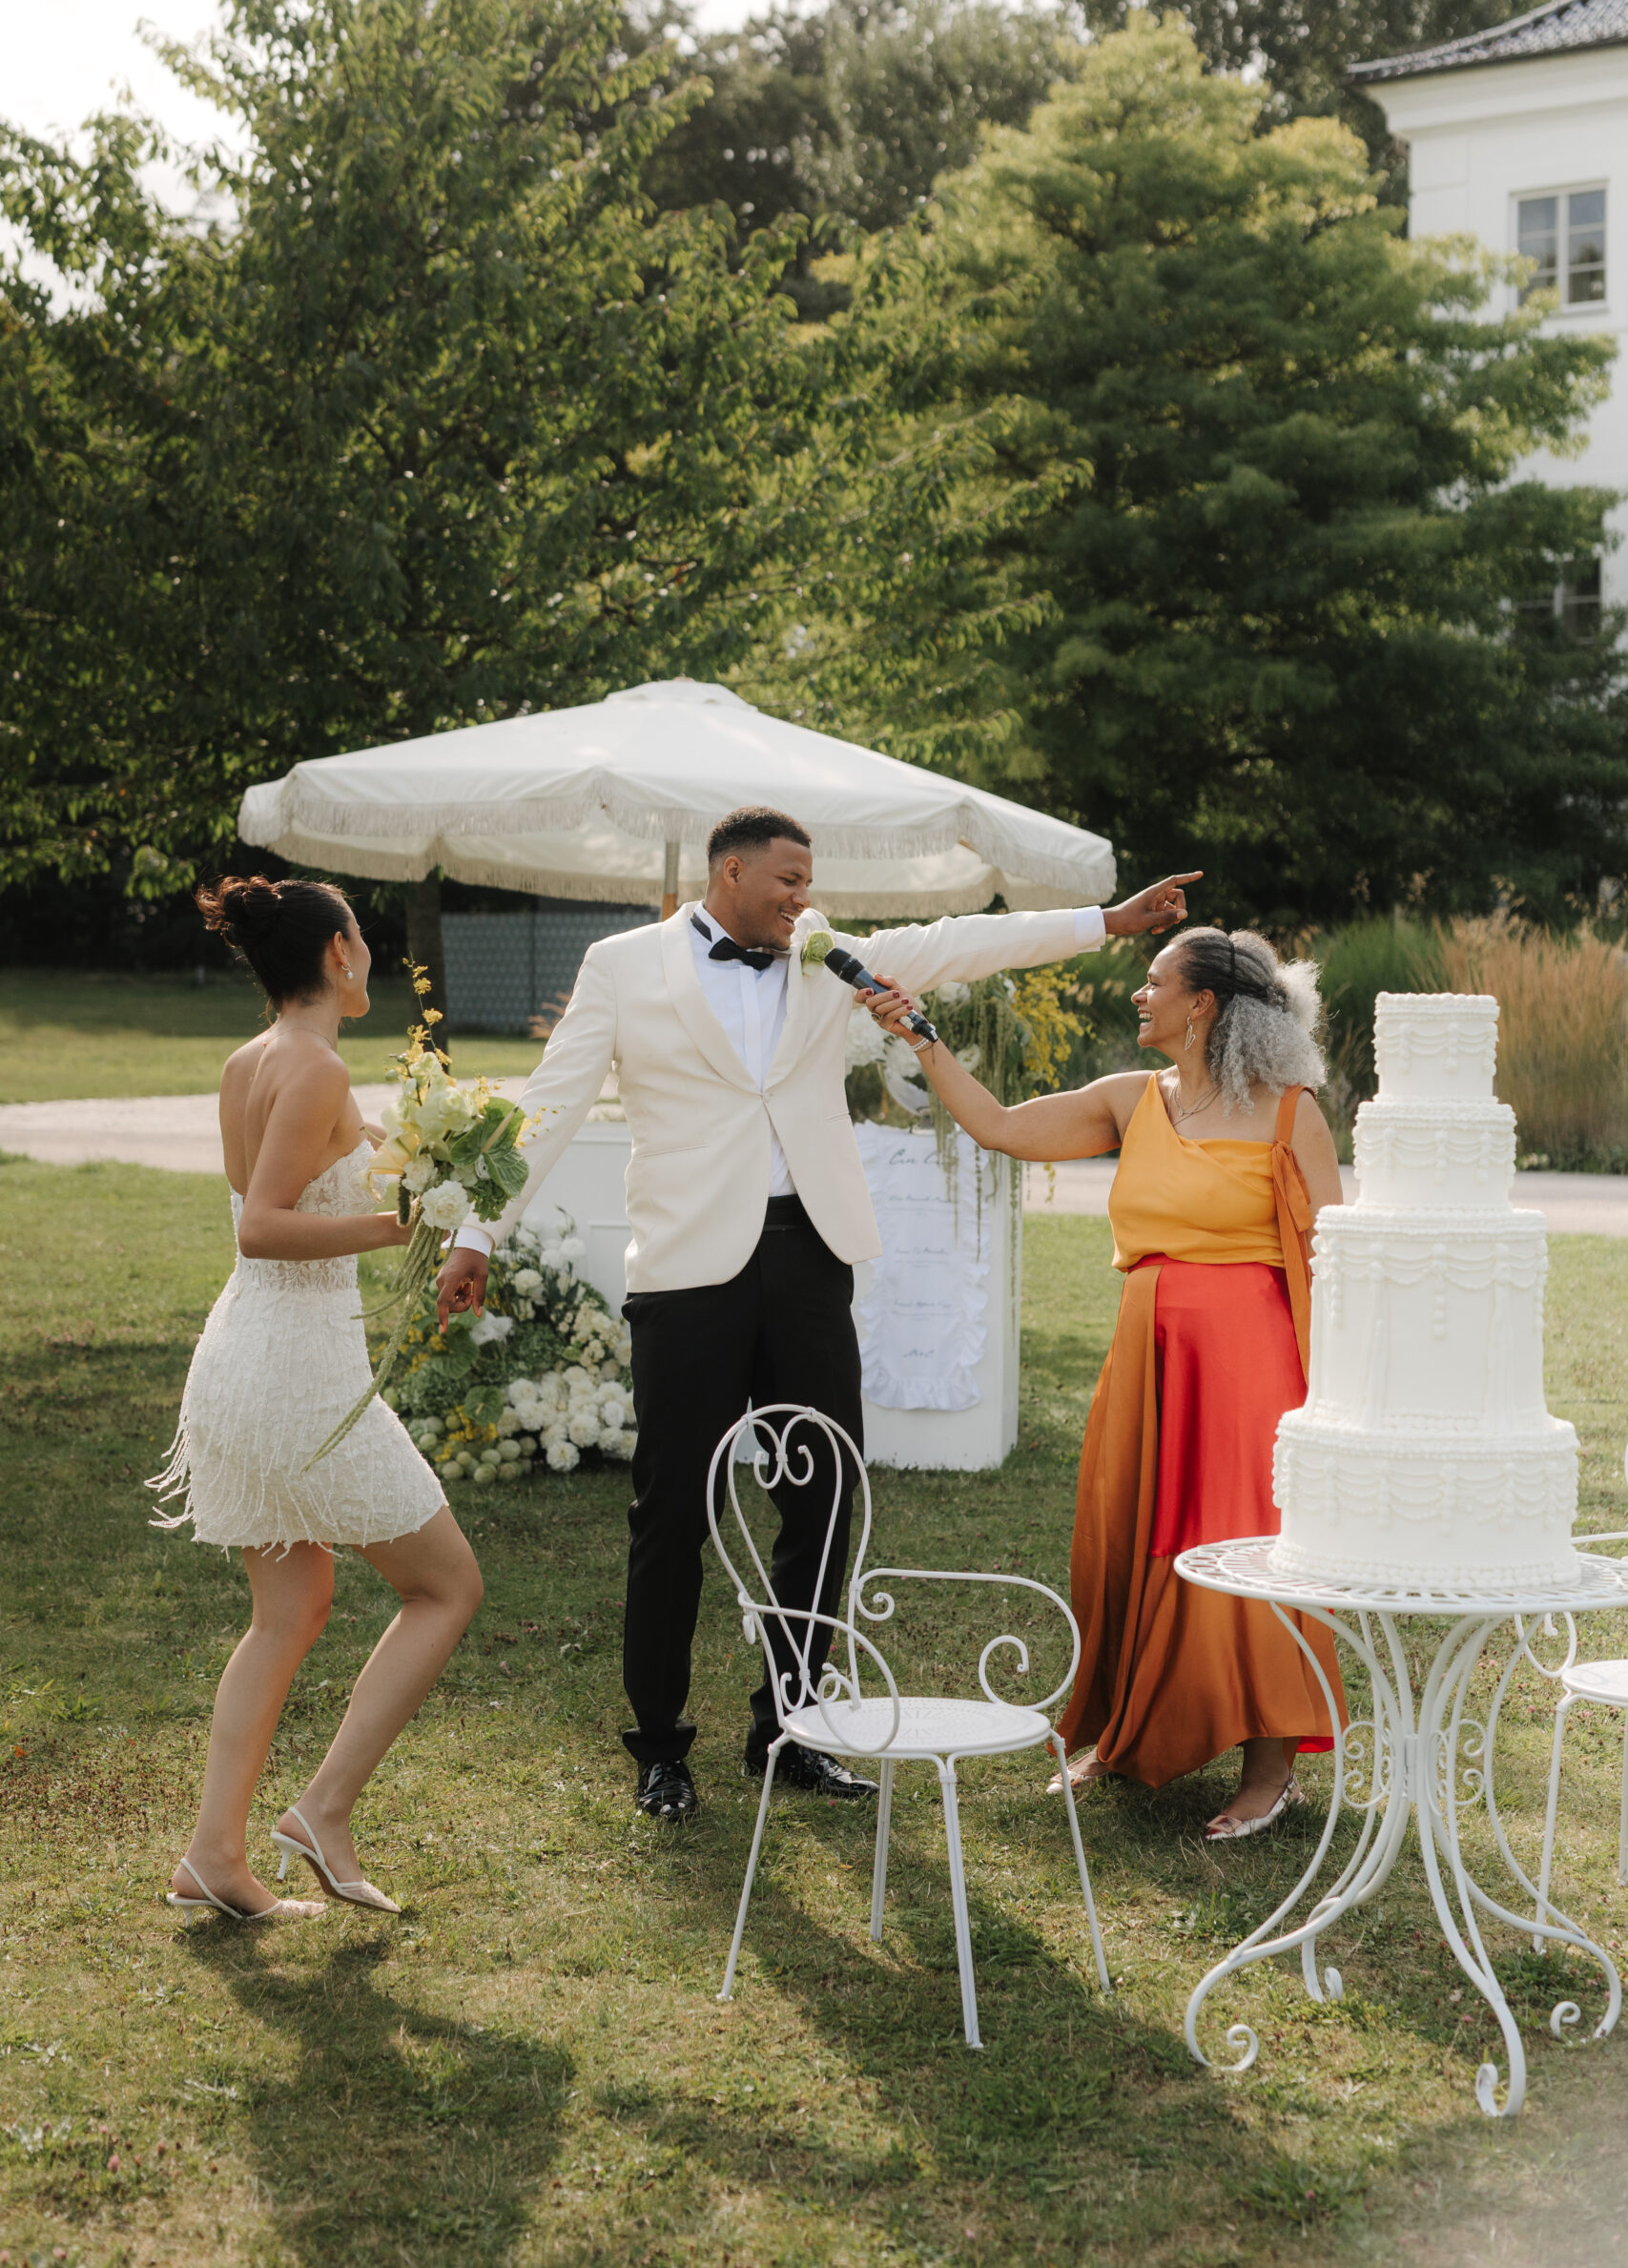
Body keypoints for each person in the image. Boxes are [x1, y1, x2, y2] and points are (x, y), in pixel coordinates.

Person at [436, 805, 1199, 1825]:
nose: (805, 898)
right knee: (672, 1513)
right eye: (789, 881)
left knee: (825, 1494)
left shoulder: (821, 955)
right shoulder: (622, 965)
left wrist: (1106, 923)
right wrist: (479, 1232)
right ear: (734, 871)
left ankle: (791, 1726)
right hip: (687, 1271)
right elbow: (552, 1100)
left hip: (810, 1260)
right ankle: (659, 1747)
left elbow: (958, 942)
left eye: (810, 883)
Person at [860, 925, 1348, 1839]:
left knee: (1247, 1547)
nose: (1139, 992)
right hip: (1145, 1346)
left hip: (1248, 1363)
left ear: (1201, 1004)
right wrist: (920, 1036)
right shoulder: (1130, 1100)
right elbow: (1001, 1128)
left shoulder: (1290, 1112)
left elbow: (1337, 1255)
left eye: (1156, 980)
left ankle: (1270, 1768)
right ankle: (1123, 1733)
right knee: (1130, 1535)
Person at [150, 876, 484, 1920]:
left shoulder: (251, 1059)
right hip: (294, 1370)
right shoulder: (317, 1067)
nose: (372, 957)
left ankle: (214, 1855)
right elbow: (262, 1222)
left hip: (247, 1355)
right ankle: (323, 1810)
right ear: (338, 953)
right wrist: (393, 1229)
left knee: (287, 1612)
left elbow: (353, 1168)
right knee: (447, 1586)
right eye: (364, 940)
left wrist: (452, 1185)